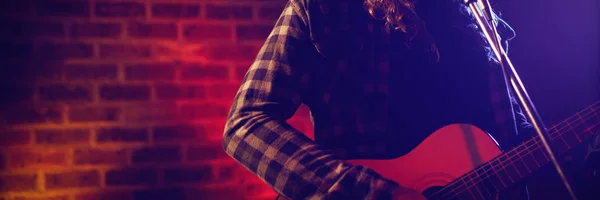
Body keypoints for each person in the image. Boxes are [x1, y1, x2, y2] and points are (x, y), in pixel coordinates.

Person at [221, 0, 533, 199]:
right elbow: (246, 122)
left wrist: (576, 143)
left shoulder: (477, 17)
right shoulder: (326, 8)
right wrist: (374, 192)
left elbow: (514, 142)